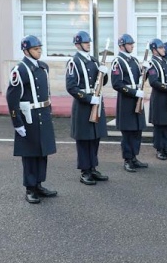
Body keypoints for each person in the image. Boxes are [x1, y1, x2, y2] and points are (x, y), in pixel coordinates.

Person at [6, 35, 57, 204]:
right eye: (36, 49)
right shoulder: (19, 70)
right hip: (29, 118)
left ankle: (39, 184)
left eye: (40, 48)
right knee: (29, 154)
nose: (39, 51)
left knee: (42, 152)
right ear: (26, 50)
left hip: (42, 113)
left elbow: (46, 91)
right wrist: (17, 123)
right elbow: (12, 99)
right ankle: (30, 188)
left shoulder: (43, 67)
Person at [66, 30, 109, 185]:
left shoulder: (94, 60)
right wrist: (89, 99)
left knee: (95, 137)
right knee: (84, 140)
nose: (88, 44)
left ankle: (93, 167)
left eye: (89, 42)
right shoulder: (74, 62)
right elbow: (71, 87)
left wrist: (104, 73)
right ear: (77, 44)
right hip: (84, 104)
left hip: (96, 101)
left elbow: (102, 83)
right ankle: (85, 171)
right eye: (85, 42)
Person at [111, 33, 149, 172]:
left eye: (132, 44)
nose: (132, 46)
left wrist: (146, 70)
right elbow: (117, 84)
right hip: (127, 100)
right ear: (122, 46)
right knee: (128, 132)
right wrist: (134, 92)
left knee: (137, 130)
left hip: (137, 98)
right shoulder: (118, 62)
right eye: (130, 44)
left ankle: (134, 157)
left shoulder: (133, 60)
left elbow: (140, 79)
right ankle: (127, 159)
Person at [147, 38, 167, 160]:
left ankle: (166, 146)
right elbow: (154, 82)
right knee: (159, 124)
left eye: (163, 47)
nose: (163, 49)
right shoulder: (152, 63)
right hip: (159, 97)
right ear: (154, 50)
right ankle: (159, 148)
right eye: (161, 48)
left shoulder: (164, 62)